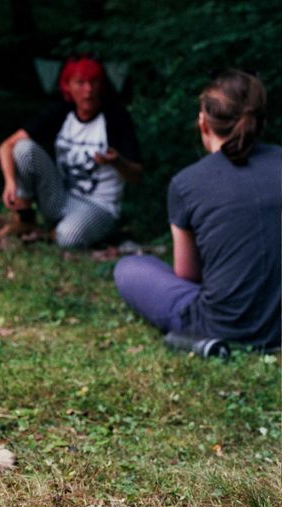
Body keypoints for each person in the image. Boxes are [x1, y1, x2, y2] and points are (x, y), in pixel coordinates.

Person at [114, 70, 280, 351]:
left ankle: (206, 343)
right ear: (261, 124)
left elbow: (188, 273)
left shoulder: (186, 183)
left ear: (203, 123)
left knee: (130, 267)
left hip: (219, 325)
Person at [0, 54, 142, 248]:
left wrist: (117, 162)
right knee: (23, 148)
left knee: (68, 238)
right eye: (80, 83)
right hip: (61, 197)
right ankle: (24, 220)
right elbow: (6, 146)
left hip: (100, 207)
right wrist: (10, 182)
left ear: (101, 85)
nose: (88, 90)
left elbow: (137, 176)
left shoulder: (116, 117)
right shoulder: (61, 112)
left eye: (94, 82)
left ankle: (56, 233)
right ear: (68, 87)